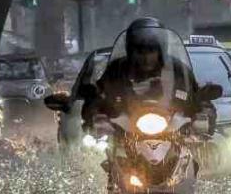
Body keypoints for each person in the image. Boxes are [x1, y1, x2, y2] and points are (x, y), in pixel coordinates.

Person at [83, 18, 211, 128]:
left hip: (173, 138)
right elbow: (98, 98)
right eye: (139, 51)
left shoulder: (178, 71)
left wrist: (203, 116)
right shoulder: (116, 70)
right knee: (102, 154)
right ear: (130, 51)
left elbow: (196, 99)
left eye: (151, 51)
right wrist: (97, 117)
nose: (146, 58)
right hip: (125, 137)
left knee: (200, 152)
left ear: (161, 51)